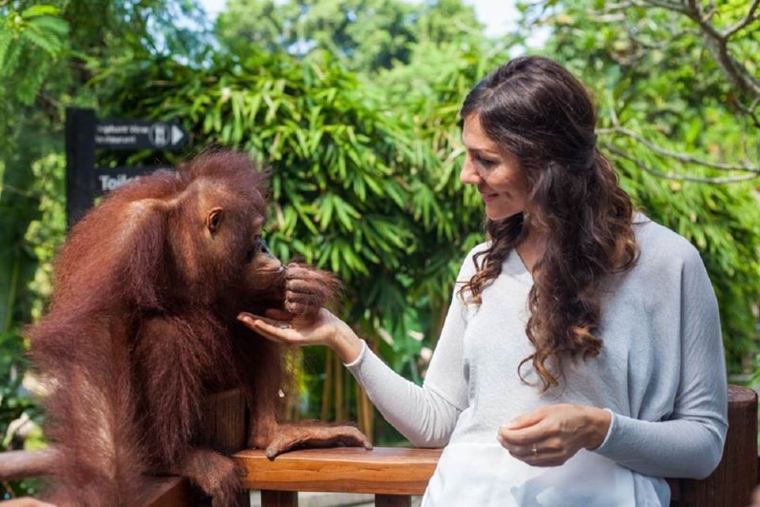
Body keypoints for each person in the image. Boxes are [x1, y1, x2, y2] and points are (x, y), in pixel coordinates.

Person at [238, 55, 728, 506]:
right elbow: (436, 422)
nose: (467, 176)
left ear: (548, 162)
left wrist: (597, 429)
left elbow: (704, 442)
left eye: (487, 160)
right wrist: (340, 337)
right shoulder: (482, 264)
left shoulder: (669, 263)